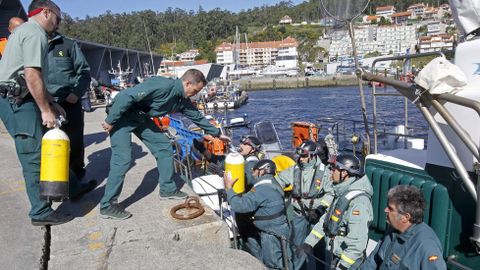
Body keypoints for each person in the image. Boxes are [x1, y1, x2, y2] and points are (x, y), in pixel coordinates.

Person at [100, 69, 230, 220]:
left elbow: (196, 116)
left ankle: (167, 189)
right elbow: (125, 96)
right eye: (195, 90)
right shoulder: (161, 85)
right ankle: (107, 205)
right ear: (187, 83)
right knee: (122, 159)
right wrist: (110, 120)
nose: (195, 94)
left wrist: (218, 134)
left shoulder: (182, 99)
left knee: (164, 148)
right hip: (122, 115)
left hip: (140, 118)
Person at [0, 0, 74, 226]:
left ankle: (71, 187)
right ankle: (40, 213)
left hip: (19, 97)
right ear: (46, 12)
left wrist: (51, 102)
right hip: (17, 102)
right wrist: (45, 111)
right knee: (32, 157)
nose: (58, 24)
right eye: (58, 19)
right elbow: (31, 74)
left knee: (44, 150)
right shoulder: (35, 33)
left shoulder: (22, 31)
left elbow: (31, 78)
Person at [299, 153, 373, 270]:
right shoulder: (341, 192)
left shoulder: (359, 203)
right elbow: (326, 220)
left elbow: (357, 243)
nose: (330, 172)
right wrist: (309, 242)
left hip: (349, 263)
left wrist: (342, 266)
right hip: (336, 254)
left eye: (333, 169)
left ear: (344, 173)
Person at [275, 140, 333, 270]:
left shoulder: (325, 172)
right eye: (299, 156)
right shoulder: (294, 170)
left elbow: (331, 194)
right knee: (297, 246)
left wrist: (321, 209)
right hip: (299, 213)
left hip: (317, 215)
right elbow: (278, 181)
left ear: (313, 155)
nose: (300, 159)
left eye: (304, 156)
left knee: (318, 247)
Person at [225, 159, 292, 269]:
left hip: (271, 233)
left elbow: (240, 206)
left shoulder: (262, 188)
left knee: (273, 264)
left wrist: (229, 189)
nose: (253, 173)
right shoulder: (272, 182)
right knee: (284, 261)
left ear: (262, 171)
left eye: (255, 170)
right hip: (279, 229)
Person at [360, 185, 447, 270]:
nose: (385, 210)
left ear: (405, 217)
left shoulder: (426, 246)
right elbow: (373, 260)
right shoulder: (392, 230)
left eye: (391, 208)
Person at [45, 31, 92, 182]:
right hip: (46, 104)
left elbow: (84, 73)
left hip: (69, 102)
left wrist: (76, 94)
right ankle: (57, 178)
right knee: (50, 144)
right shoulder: (34, 44)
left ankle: (77, 175)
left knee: (75, 141)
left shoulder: (68, 45)